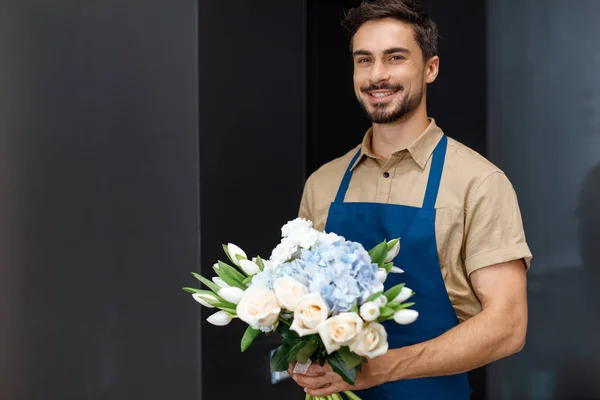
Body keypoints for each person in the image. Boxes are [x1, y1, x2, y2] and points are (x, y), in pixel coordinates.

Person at [289, 0, 532, 398]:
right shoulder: (323, 183)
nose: (377, 75)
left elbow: (508, 326)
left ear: (430, 68)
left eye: (395, 58)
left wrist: (380, 370)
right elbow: (302, 305)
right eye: (364, 60)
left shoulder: (480, 182)